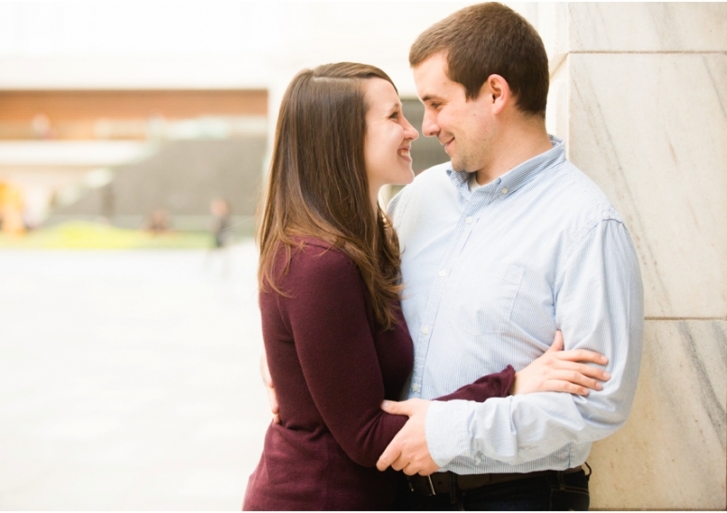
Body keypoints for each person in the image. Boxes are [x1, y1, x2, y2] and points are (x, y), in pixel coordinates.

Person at [245, 62, 611, 511]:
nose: (414, 129)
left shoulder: (372, 236)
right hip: (317, 497)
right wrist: (511, 384)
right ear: (342, 137)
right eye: (394, 116)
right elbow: (368, 437)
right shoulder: (322, 263)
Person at [372, 3, 644, 510]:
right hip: (396, 492)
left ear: (495, 92)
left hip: (517, 496)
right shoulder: (416, 199)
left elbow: (600, 404)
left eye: (436, 103)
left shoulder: (585, 225)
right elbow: (350, 304)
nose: (425, 126)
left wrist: (450, 434)